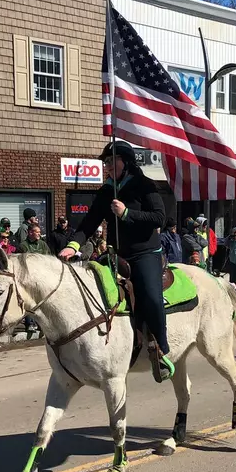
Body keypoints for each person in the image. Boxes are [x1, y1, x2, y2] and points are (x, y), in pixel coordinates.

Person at [58, 140, 173, 382]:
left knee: (151, 296)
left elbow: (159, 218)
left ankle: (161, 349)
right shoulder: (106, 190)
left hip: (145, 253)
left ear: (127, 162)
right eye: (106, 162)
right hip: (116, 254)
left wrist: (127, 214)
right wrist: (72, 245)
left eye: (112, 161)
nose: (107, 166)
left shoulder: (145, 185)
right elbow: (90, 222)